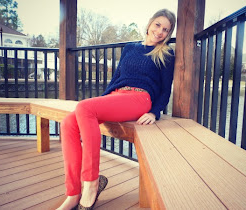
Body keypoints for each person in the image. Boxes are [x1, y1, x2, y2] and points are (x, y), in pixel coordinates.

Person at [57, 8, 176, 210]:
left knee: (84, 107)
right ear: (149, 24)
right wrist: (101, 102)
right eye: (158, 25)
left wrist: (154, 112)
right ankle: (73, 193)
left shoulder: (166, 53)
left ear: (168, 34)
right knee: (69, 122)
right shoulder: (130, 48)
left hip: (140, 98)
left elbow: (165, 90)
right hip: (117, 96)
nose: (160, 31)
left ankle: (91, 183)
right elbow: (116, 79)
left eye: (166, 29)